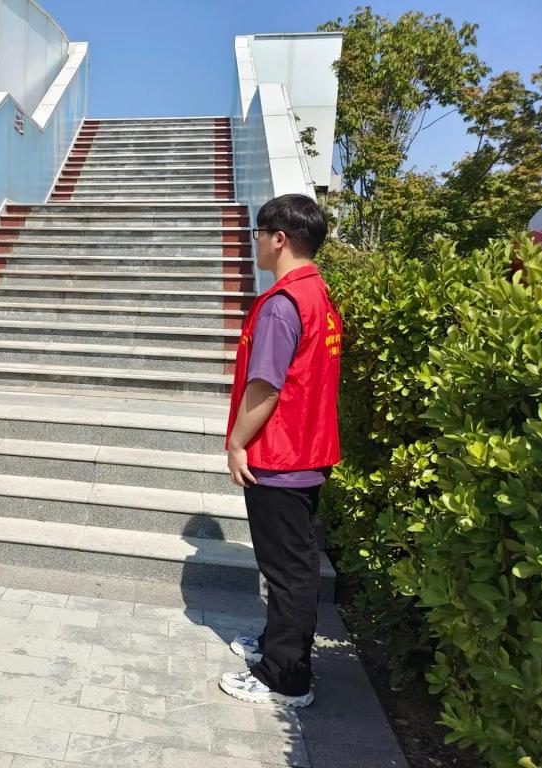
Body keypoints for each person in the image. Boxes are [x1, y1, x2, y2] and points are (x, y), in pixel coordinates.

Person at [217, 194, 341, 708]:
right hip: (307, 451)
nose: (257, 243)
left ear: (279, 239)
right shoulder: (318, 294)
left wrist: (236, 443)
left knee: (289, 572)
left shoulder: (281, 304)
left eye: (258, 234)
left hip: (281, 456)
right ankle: (276, 645)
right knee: (293, 566)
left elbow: (265, 387)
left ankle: (284, 678)